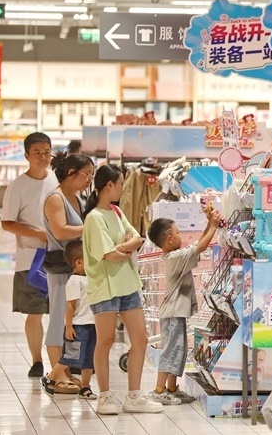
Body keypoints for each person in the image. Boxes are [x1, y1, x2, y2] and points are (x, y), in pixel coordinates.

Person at [82, 164, 162, 415]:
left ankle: (134, 395)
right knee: (105, 341)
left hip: (127, 284)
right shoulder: (95, 218)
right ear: (109, 186)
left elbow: (137, 237)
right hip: (105, 287)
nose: (123, 189)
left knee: (140, 339)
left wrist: (123, 247)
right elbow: (110, 255)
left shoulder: (116, 211)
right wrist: (125, 247)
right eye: (120, 184)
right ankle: (104, 396)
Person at [146, 208, 222, 405]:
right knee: (171, 350)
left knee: (178, 350)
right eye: (178, 232)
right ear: (170, 239)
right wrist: (214, 226)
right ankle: (158, 390)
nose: (181, 236)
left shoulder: (176, 255)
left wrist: (209, 224)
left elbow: (198, 245)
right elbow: (199, 248)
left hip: (176, 313)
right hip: (172, 313)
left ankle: (171, 388)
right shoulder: (174, 258)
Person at [1, 132, 58, 378]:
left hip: (59, 257)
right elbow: (7, 222)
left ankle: (61, 363)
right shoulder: (17, 186)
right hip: (30, 261)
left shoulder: (57, 181)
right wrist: (37, 234)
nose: (43, 157)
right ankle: (37, 361)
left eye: (46, 152)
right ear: (26, 155)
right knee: (34, 312)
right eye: (37, 153)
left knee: (61, 312)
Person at [43, 152, 95, 392]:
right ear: (71, 173)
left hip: (75, 267)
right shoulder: (55, 198)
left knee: (71, 318)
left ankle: (63, 372)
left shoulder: (76, 199)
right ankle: (55, 377)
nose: (89, 179)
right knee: (59, 318)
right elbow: (60, 231)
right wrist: (89, 227)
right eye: (87, 174)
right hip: (60, 267)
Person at [40, 240, 97, 400]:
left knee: (89, 359)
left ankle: (85, 387)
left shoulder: (90, 278)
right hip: (79, 326)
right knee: (71, 356)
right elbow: (70, 306)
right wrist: (69, 326)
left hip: (92, 325)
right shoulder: (74, 281)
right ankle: (50, 377)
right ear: (79, 262)